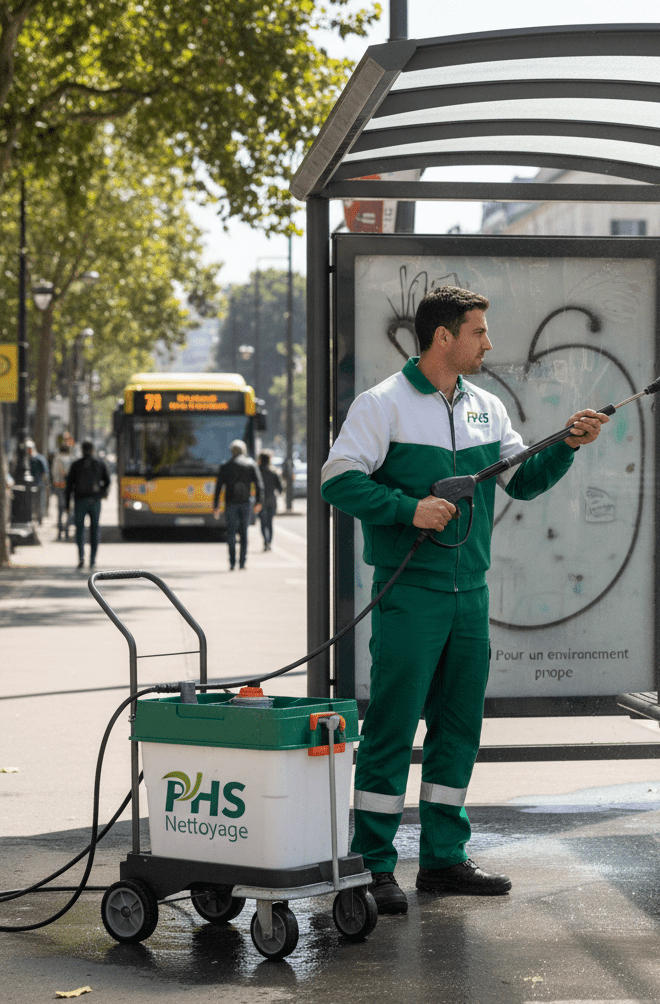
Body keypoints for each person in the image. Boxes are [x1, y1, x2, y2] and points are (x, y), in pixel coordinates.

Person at [321, 285, 608, 916]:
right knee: (393, 729)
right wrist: (407, 508)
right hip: (410, 594)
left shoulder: (486, 407)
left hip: (469, 596)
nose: (488, 343)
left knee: (458, 730)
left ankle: (445, 859)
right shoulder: (383, 405)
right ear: (443, 337)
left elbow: (523, 481)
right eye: (477, 331)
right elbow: (337, 480)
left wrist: (565, 444)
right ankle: (371, 864)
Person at [213, 439, 263, 570]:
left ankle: (232, 562)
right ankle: (242, 563)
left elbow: (218, 487)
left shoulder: (225, 466)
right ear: (244, 450)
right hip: (246, 503)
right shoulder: (250, 465)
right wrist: (258, 501)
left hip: (230, 503)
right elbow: (259, 485)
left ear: (232, 452)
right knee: (244, 532)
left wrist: (216, 506)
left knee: (231, 533)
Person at [64, 440, 110, 570]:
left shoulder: (76, 465)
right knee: (95, 530)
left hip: (80, 501)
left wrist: (67, 504)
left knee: (80, 530)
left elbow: (69, 486)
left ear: (82, 450)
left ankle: (81, 557)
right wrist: (102, 493)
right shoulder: (99, 464)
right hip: (95, 501)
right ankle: (93, 559)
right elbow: (107, 481)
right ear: (93, 450)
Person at [257, 451, 283, 551]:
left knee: (263, 523)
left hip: (261, 500)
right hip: (272, 500)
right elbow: (280, 487)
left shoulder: (257, 470)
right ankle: (269, 542)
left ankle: (266, 540)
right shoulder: (274, 471)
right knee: (270, 522)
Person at [51, 436, 75, 540]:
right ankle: (66, 531)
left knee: (60, 510)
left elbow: (54, 472)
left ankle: (60, 532)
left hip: (59, 486)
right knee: (68, 510)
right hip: (69, 487)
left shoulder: (57, 459)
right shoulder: (70, 459)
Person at [25, 440, 49, 524]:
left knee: (38, 501)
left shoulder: (38, 459)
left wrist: (42, 483)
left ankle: (39, 518)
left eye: (29, 449)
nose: (28, 451)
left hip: (38, 483)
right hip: (31, 484)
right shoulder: (29, 459)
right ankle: (34, 518)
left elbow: (44, 473)